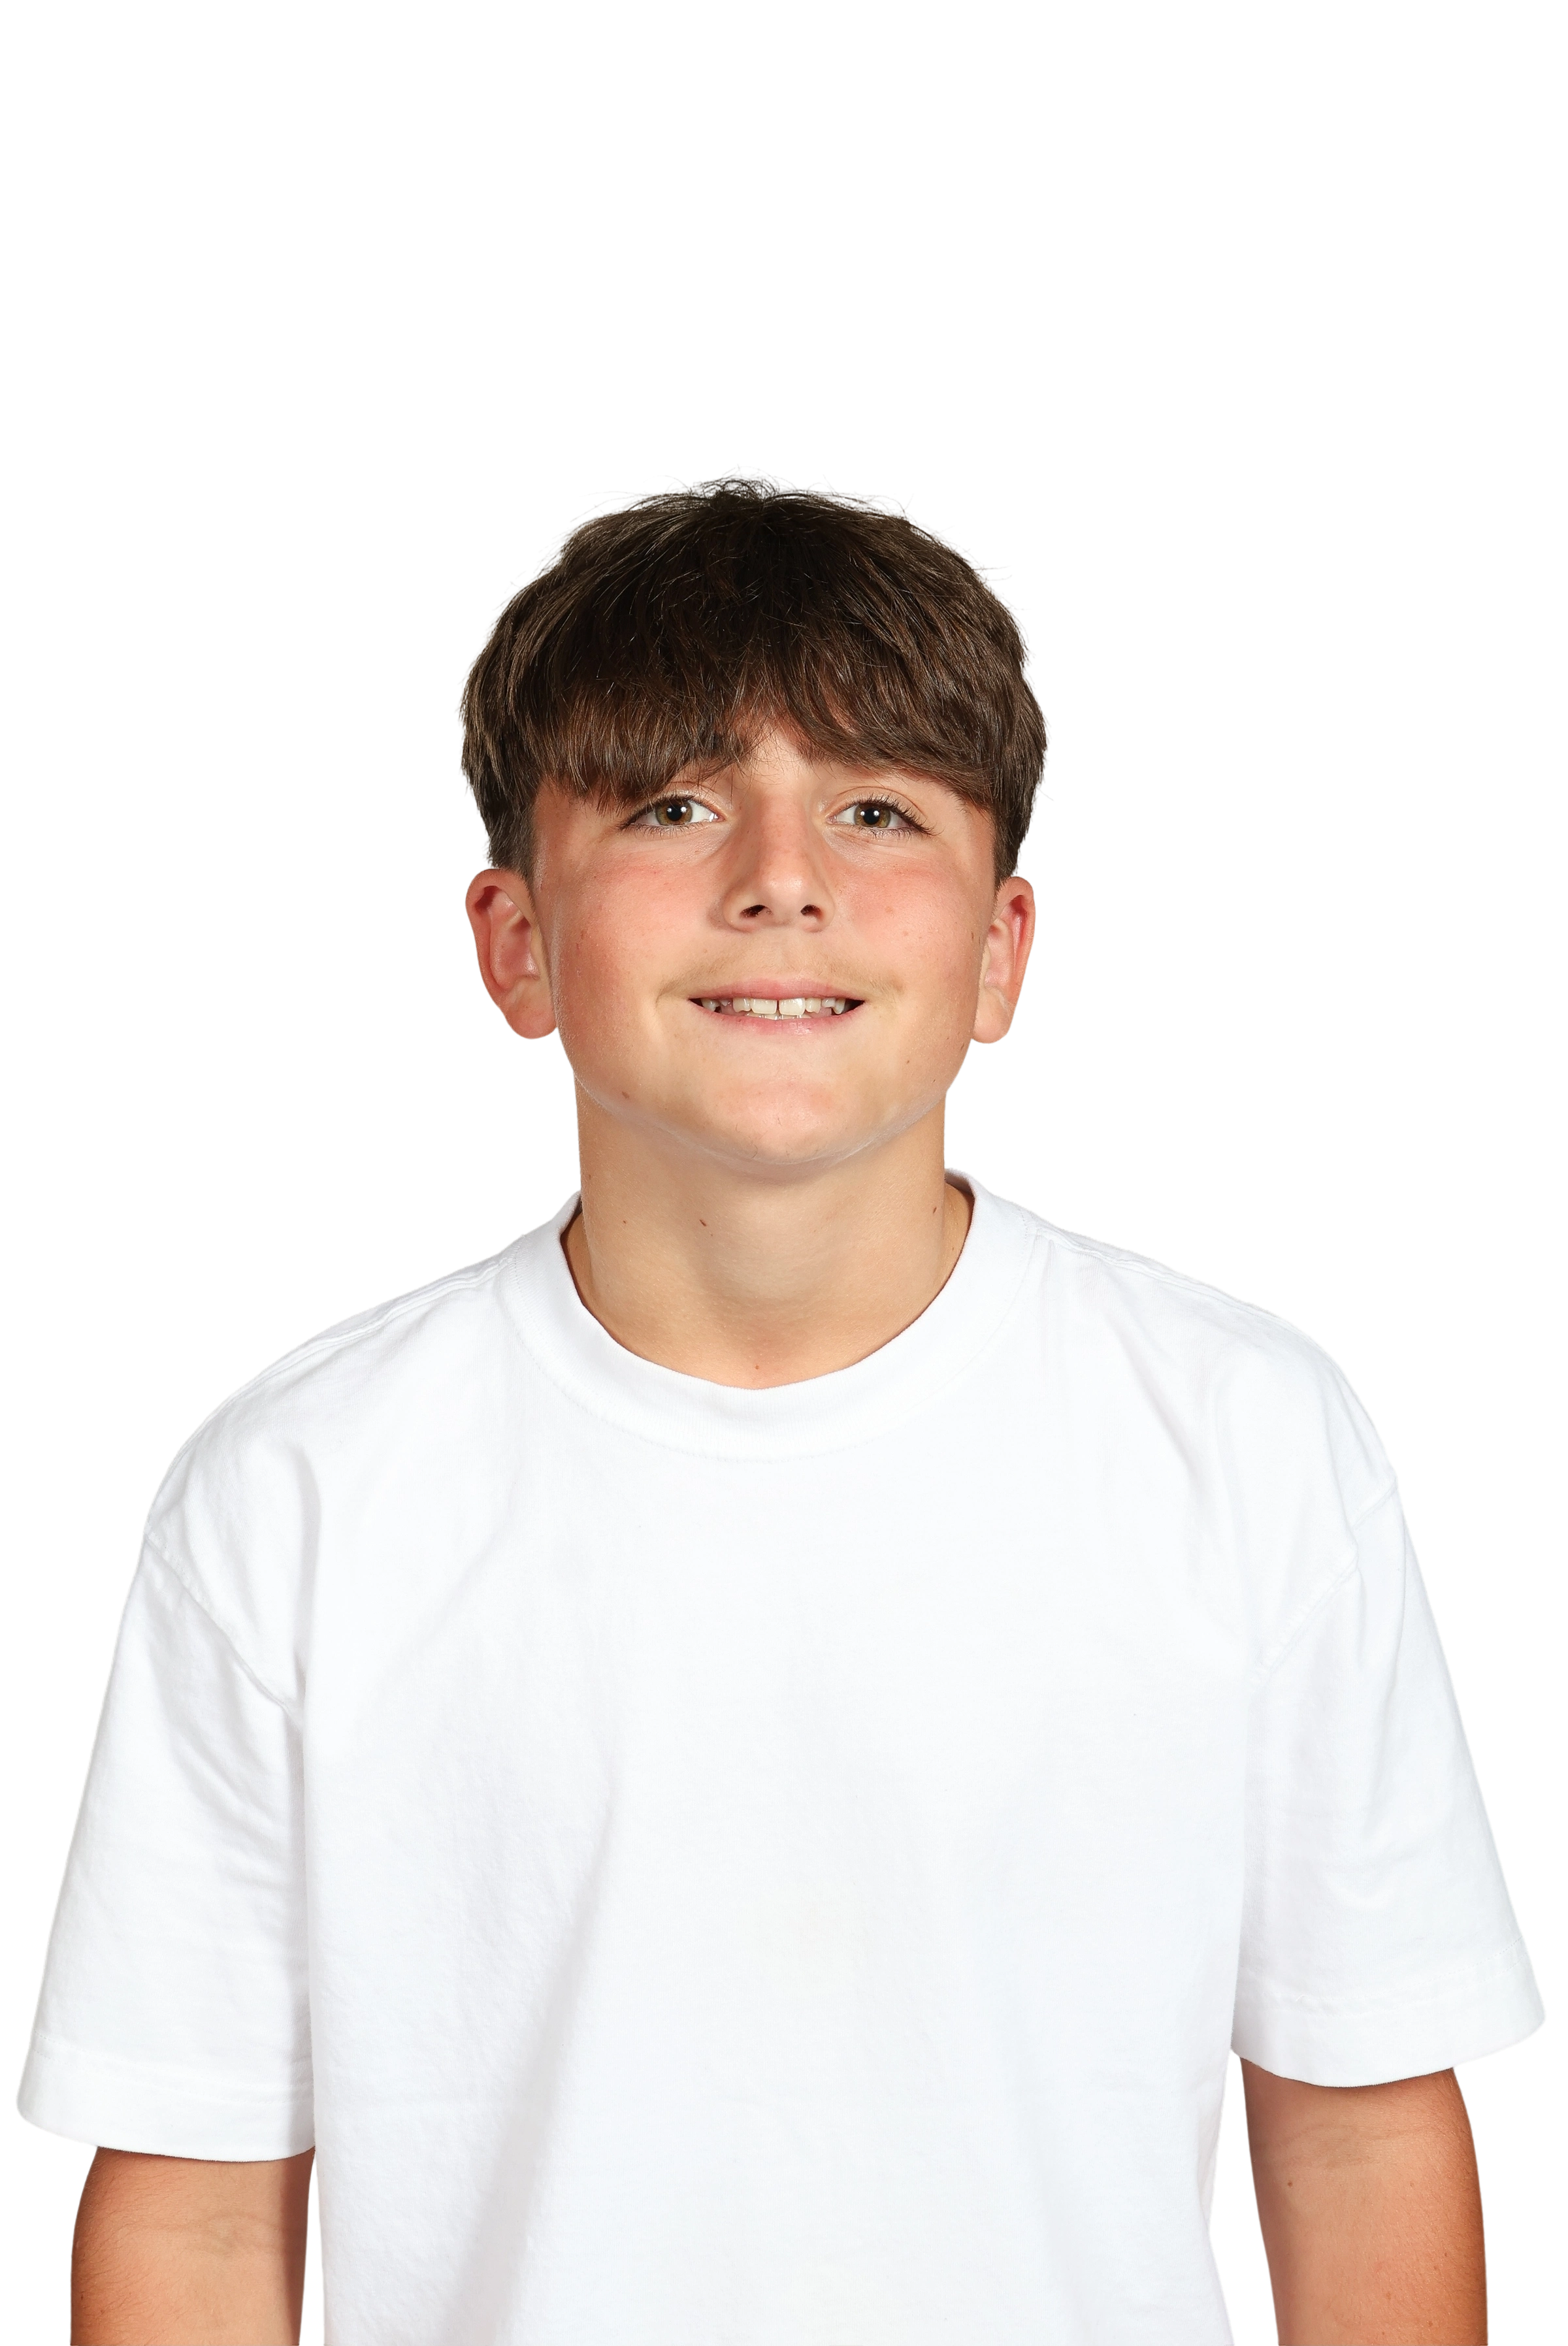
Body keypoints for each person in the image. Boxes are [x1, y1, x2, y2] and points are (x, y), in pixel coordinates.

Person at [16, 464, 1543, 2345]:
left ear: (1003, 948)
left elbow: (1363, 2124)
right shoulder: (300, 1490)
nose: (780, 880)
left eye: (877, 808)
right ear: (513, 944)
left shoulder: (1242, 1437)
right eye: (673, 805)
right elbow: (189, 2204)